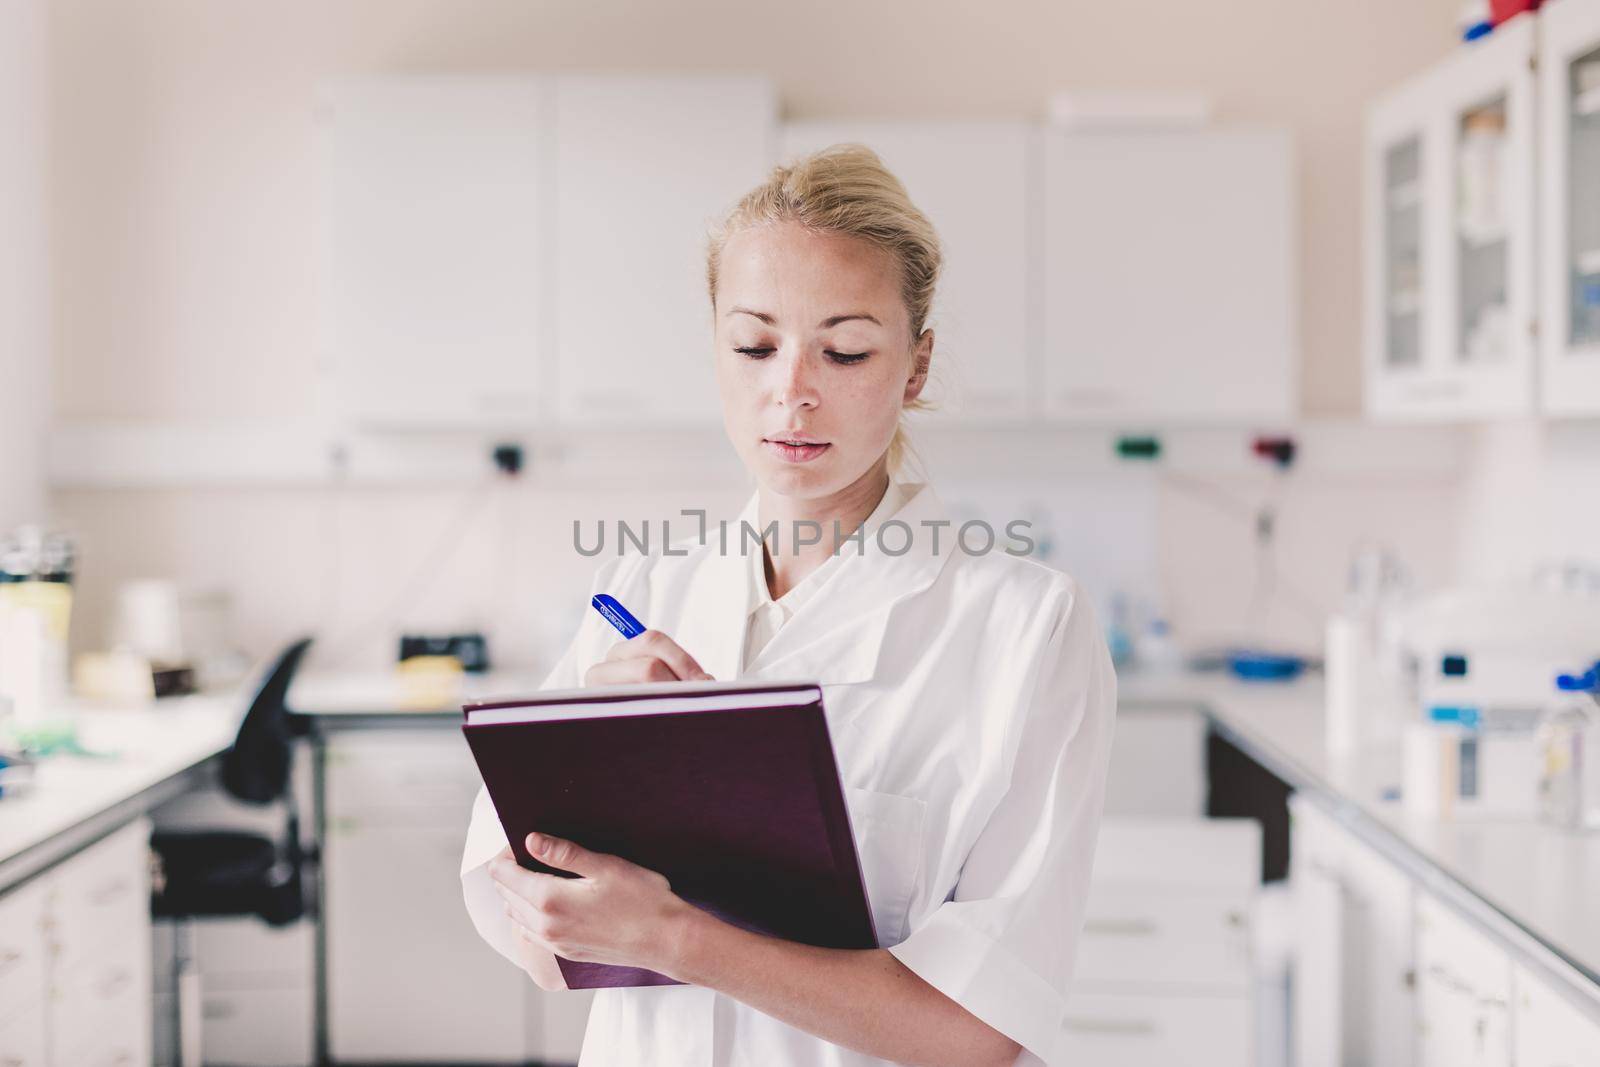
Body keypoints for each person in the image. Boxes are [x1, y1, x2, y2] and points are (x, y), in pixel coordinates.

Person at [461, 144, 1116, 1067]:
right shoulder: (645, 594)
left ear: (916, 365)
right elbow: (534, 933)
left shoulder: (1027, 627)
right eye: (755, 345)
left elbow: (979, 1033)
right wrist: (596, 787)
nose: (792, 391)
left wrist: (672, 934)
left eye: (845, 348)